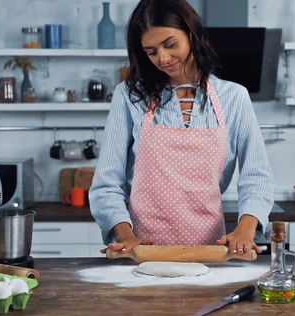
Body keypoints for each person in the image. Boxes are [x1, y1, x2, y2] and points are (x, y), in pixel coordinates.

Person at [89, 0, 275, 256]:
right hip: (142, 255)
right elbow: (106, 185)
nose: (163, 59)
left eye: (170, 44)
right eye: (151, 51)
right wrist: (125, 235)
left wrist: (245, 228)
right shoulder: (129, 96)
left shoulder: (234, 97)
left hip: (210, 253)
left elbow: (257, 177)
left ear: (191, 33)